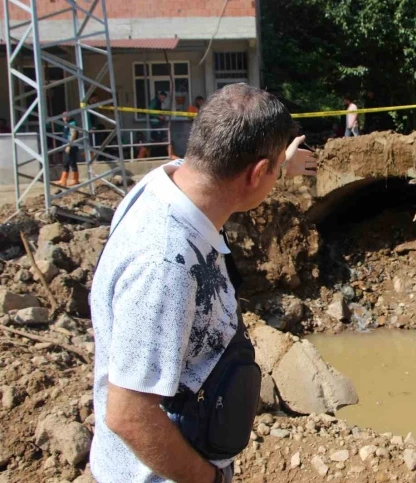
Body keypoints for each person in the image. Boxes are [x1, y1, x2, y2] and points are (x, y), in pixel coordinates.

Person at [90, 83, 318, 483]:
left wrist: (280, 162)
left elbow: (232, 171)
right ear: (256, 172)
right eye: (273, 170)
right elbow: (129, 414)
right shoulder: (166, 263)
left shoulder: (166, 182)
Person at [54, 112, 79, 187]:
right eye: (63, 117)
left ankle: (75, 179)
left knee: (71, 162)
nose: (64, 118)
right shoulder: (66, 124)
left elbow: (73, 134)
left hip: (70, 146)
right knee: (65, 163)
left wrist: (69, 146)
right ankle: (63, 180)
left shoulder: (72, 123)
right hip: (65, 145)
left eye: (66, 117)